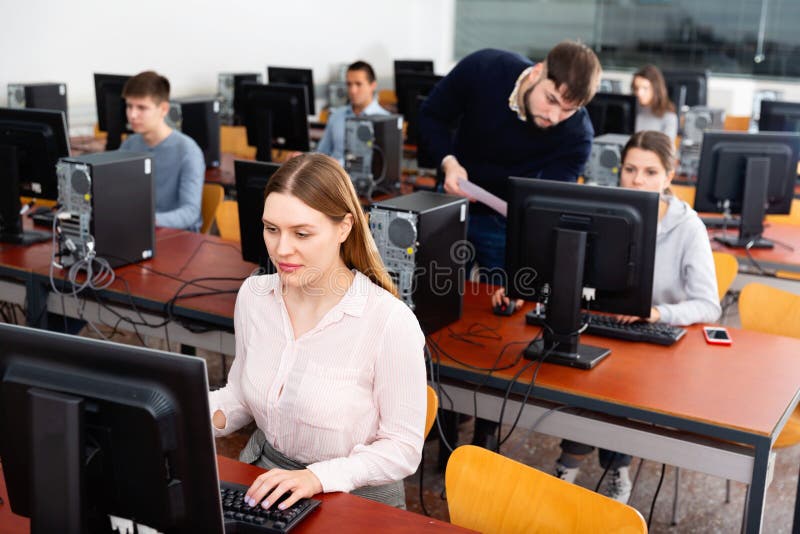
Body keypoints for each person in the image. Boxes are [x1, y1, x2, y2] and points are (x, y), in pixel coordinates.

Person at [209, 153, 426, 511]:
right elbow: (243, 394)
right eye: (271, 229)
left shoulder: (389, 321)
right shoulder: (254, 297)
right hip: (267, 485)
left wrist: (317, 477)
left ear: (344, 228)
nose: (281, 249)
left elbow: (402, 448)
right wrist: (182, 414)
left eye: (302, 233)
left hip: (355, 501)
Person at [418, 41, 602, 452]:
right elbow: (431, 115)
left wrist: (530, 268)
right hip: (454, 195)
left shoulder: (576, 135)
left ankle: (484, 429)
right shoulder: (485, 68)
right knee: (437, 304)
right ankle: (442, 412)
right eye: (551, 99)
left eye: (567, 110)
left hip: (509, 221)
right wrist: (447, 160)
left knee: (500, 324)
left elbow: (548, 206)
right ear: (537, 72)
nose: (554, 116)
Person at [550, 130, 721, 504]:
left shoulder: (688, 227)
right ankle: (616, 468)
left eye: (649, 172)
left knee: (615, 388)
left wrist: (658, 311)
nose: (637, 180)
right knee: (591, 376)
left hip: (659, 346)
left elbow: (709, 305)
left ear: (669, 175)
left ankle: (573, 464)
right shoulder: (607, 214)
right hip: (609, 330)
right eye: (629, 169)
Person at [119, 71, 205, 231]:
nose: (132, 115)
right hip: (139, 230)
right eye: (129, 106)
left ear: (164, 109)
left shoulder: (188, 151)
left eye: (142, 107)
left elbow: (190, 212)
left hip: (176, 238)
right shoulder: (130, 144)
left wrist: (147, 220)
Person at [317, 61, 389, 165]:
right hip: (333, 177)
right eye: (349, 84)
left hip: (365, 178)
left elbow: (382, 165)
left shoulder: (385, 121)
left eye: (358, 84)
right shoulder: (336, 115)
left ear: (373, 85)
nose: (352, 90)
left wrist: (338, 164)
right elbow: (321, 152)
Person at [632, 65, 678, 144]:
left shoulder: (669, 117)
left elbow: (666, 150)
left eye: (645, 88)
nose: (639, 93)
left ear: (655, 89)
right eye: (636, 88)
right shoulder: (631, 110)